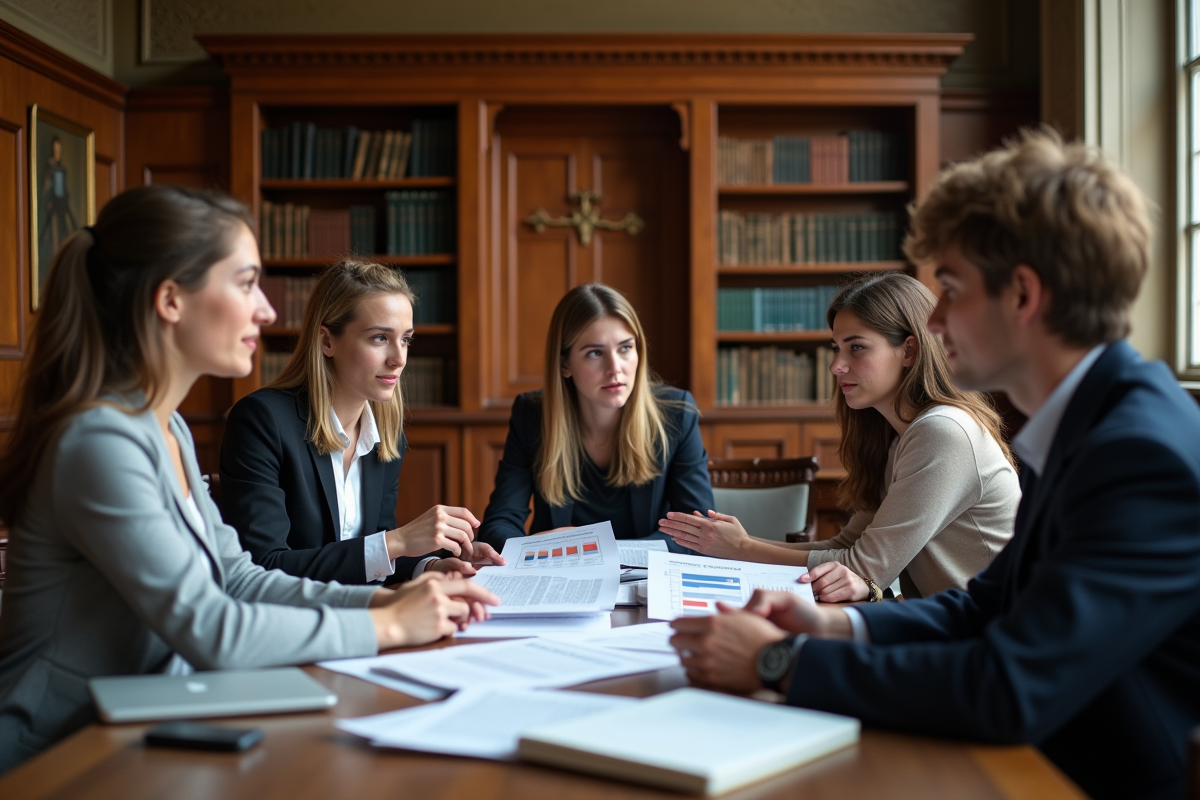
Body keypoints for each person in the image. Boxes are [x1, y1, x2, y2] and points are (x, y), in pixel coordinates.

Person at [667, 130, 1200, 800]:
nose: (937, 319)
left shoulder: (1136, 452)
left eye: (950, 289)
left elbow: (1011, 687)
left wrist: (780, 662)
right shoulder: (1084, 421)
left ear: (1023, 295)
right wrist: (836, 625)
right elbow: (985, 605)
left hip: (1093, 776)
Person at [0, 186, 497, 773]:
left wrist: (399, 597)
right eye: (244, 283)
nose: (265, 309)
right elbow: (212, 628)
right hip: (59, 753)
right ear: (170, 301)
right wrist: (386, 621)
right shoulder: (98, 443)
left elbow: (237, 577)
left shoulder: (168, 432)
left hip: (144, 720)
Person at [659, 272, 1018, 602]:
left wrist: (741, 549)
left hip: (995, 642)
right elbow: (846, 544)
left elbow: (863, 566)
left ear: (909, 351)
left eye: (856, 347)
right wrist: (737, 542)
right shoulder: (899, 440)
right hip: (950, 630)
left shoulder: (943, 433)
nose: (836, 366)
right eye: (835, 348)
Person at [219, 260, 504, 586]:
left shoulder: (386, 434)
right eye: (380, 338)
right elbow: (263, 567)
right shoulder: (261, 420)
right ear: (327, 341)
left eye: (406, 339)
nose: (399, 359)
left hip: (366, 615)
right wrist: (398, 540)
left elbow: (368, 553)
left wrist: (431, 566)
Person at [478, 283, 713, 550]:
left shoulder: (676, 414)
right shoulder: (532, 414)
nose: (615, 369)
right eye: (595, 353)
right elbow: (499, 523)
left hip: (647, 582)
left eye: (625, 348)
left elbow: (698, 532)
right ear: (565, 364)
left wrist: (592, 547)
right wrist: (534, 546)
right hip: (560, 580)